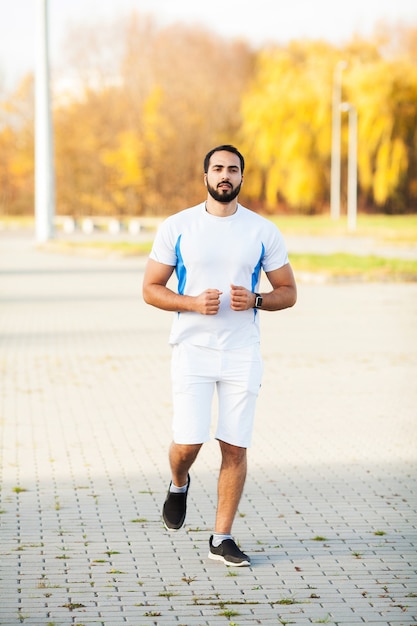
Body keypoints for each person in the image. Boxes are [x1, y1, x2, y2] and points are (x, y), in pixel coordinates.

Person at [142, 145, 297, 567]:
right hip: (192, 348)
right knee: (188, 442)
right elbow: (150, 288)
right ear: (205, 175)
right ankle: (178, 482)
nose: (224, 175)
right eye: (217, 168)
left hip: (241, 352)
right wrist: (191, 303)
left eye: (232, 169)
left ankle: (221, 538)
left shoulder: (262, 231)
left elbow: (288, 292)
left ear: (242, 178)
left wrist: (259, 301)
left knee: (234, 445)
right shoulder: (178, 226)